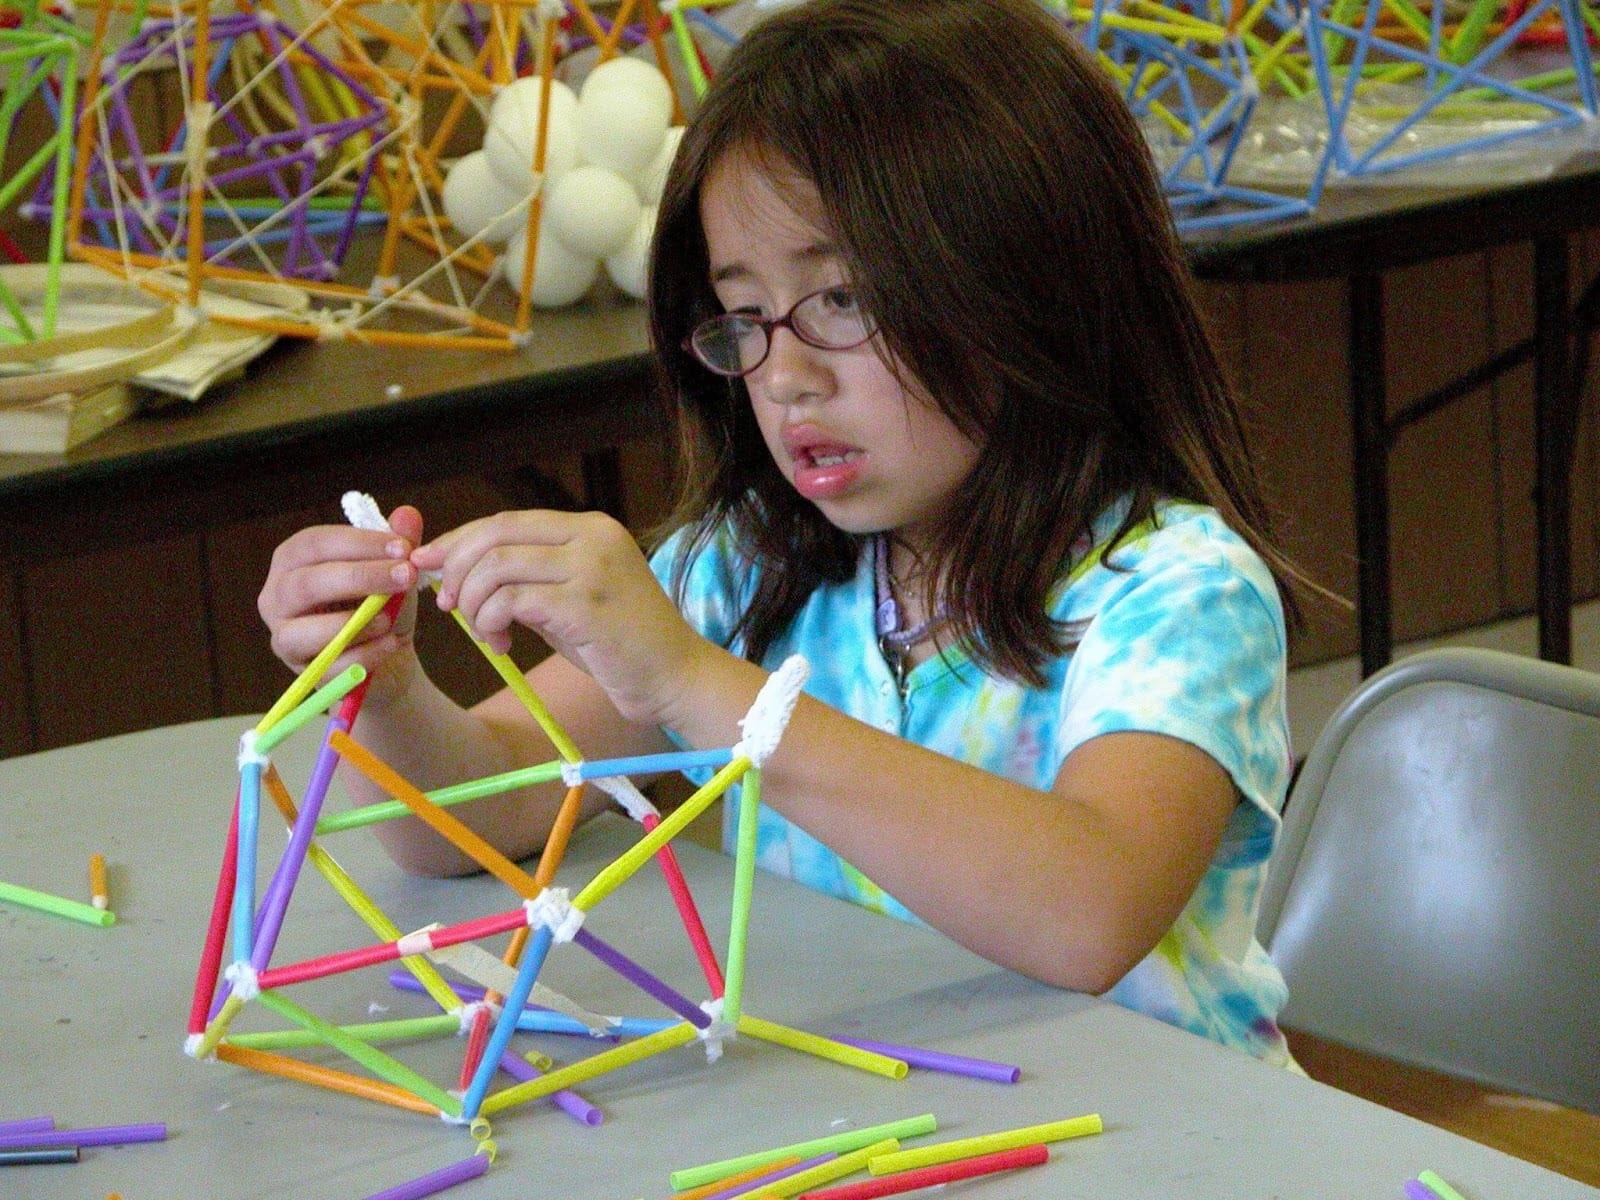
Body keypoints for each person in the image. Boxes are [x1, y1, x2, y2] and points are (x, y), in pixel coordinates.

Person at [258, 0, 1313, 1068]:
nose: (783, 375)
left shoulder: (1172, 590)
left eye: (844, 298)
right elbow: (473, 813)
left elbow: (1090, 911)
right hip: (904, 1117)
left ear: (1030, 287)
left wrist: (692, 683)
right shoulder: (753, 564)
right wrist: (384, 689)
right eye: (746, 316)